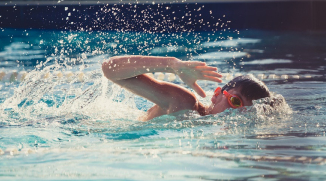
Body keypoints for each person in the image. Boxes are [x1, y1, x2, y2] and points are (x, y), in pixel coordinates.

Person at [102, 55, 271, 121]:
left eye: (246, 112)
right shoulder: (184, 103)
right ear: (216, 95)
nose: (236, 115)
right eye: (235, 101)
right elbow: (109, 69)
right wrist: (171, 65)